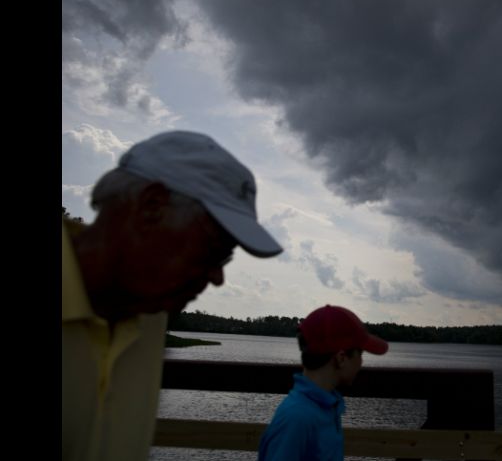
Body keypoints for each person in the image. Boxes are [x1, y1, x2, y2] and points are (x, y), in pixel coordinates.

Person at [62, 130, 283, 461]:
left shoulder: (150, 319)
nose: (218, 277)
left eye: (225, 258)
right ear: (151, 205)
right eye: (214, 248)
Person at [257, 304, 389, 461]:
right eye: (360, 353)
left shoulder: (326, 407)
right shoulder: (297, 420)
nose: (361, 362)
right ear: (341, 358)